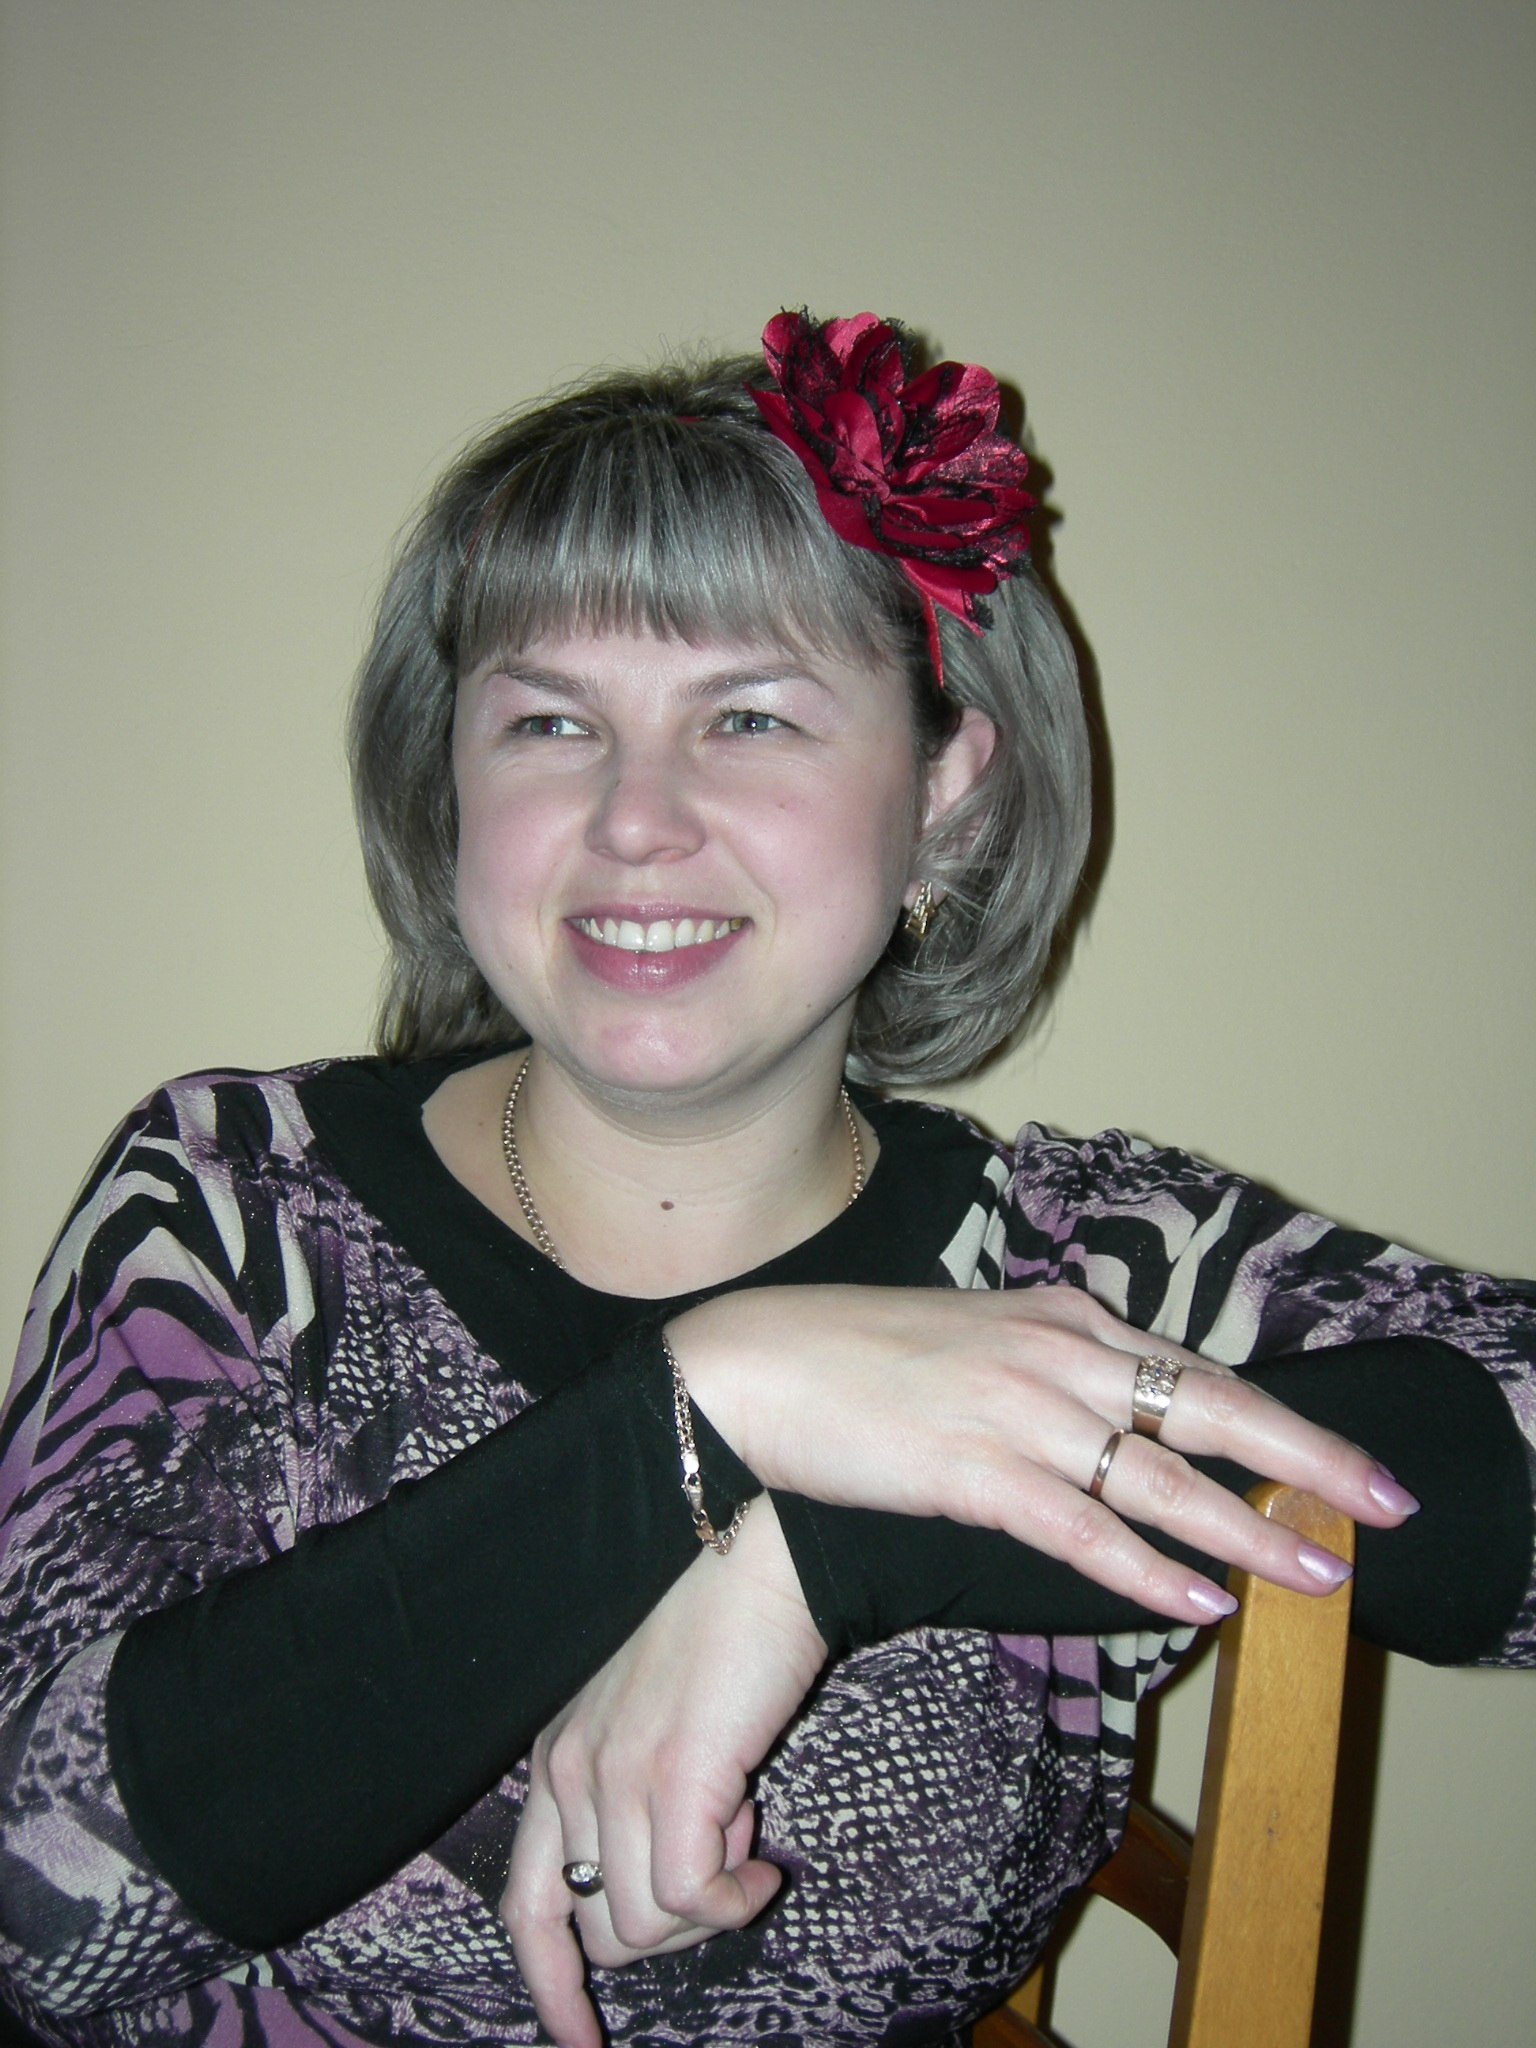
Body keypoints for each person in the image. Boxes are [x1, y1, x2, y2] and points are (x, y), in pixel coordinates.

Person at [0, 311, 1530, 2048]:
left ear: (946, 792)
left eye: (748, 716)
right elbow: (37, 1911)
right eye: (550, 723)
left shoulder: (1084, 1261)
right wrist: (704, 1403)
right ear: (449, 787)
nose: (637, 820)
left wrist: (839, 1537)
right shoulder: (230, 1207)